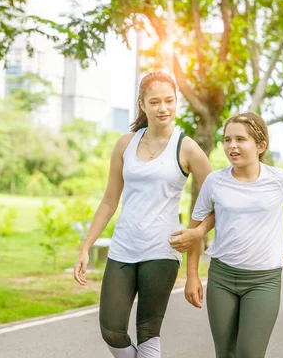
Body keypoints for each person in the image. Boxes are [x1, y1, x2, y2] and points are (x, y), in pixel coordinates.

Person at [73, 71, 213, 358]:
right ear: (142, 105)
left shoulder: (186, 147)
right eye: (155, 101)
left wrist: (197, 232)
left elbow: (219, 199)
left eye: (170, 101)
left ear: (176, 103)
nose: (163, 108)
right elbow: (109, 201)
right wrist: (86, 246)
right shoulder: (125, 144)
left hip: (162, 251)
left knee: (148, 333)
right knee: (111, 330)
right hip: (123, 248)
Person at [169, 112, 283, 358]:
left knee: (250, 353)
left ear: (260, 146)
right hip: (221, 278)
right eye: (227, 139)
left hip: (263, 281)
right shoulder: (214, 181)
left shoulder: (277, 179)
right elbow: (194, 231)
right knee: (225, 353)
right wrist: (191, 277)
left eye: (240, 139)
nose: (232, 146)